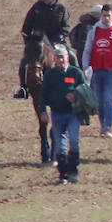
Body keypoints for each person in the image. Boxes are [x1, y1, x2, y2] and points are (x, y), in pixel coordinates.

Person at [39, 45, 87, 184]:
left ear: (67, 58)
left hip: (73, 113)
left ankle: (73, 172)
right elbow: (43, 95)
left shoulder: (76, 73)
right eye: (57, 57)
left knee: (74, 141)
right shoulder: (50, 75)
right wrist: (43, 111)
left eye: (62, 57)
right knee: (60, 145)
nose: (60, 60)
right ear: (54, 59)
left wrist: (76, 95)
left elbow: (86, 91)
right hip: (57, 113)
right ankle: (63, 174)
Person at [14, 0, 71, 99]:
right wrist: (30, 41)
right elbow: (26, 28)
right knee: (24, 63)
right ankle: (23, 88)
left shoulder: (61, 9)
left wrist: (59, 38)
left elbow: (66, 27)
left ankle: (80, 84)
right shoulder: (36, 8)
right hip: (38, 43)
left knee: (73, 58)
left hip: (56, 42)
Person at [81, 4, 112, 138]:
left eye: (109, 15)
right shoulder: (94, 31)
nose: (106, 18)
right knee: (98, 99)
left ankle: (108, 126)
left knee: (108, 98)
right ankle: (103, 124)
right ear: (101, 16)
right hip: (96, 70)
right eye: (104, 15)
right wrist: (85, 66)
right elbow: (87, 50)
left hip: (111, 71)